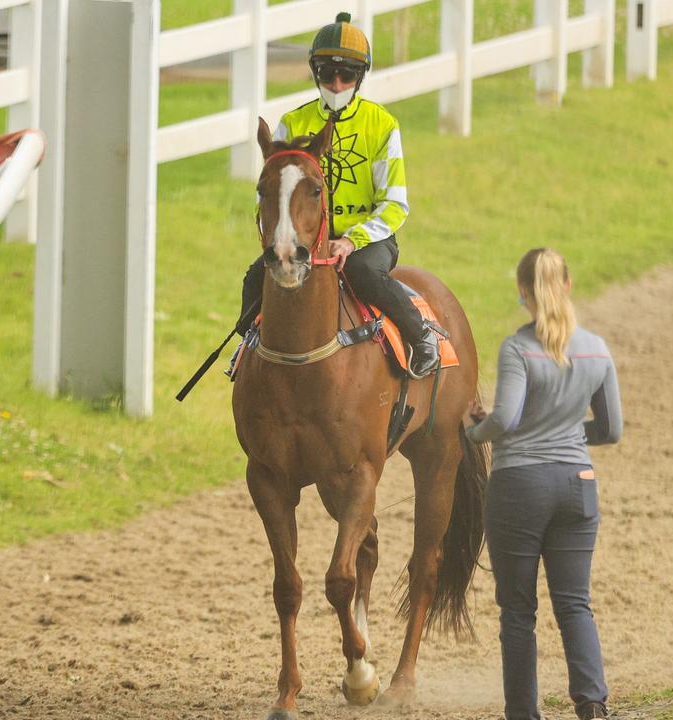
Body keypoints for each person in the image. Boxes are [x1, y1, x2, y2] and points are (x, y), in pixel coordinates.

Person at [235, 12, 442, 379]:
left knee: (364, 271)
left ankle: (421, 336)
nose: (336, 82)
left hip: (366, 241)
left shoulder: (382, 126)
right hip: (303, 238)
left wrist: (350, 241)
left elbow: (395, 204)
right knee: (256, 277)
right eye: (327, 72)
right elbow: (270, 194)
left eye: (346, 74)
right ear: (315, 72)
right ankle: (246, 347)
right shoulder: (292, 123)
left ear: (360, 77)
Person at [466, 248, 622, 720]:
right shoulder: (596, 349)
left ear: (523, 292)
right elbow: (611, 430)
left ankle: (523, 712)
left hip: (519, 486)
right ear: (568, 286)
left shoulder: (518, 348)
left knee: (518, 611)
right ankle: (592, 700)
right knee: (575, 602)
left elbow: (506, 418)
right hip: (578, 484)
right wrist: (573, 434)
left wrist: (474, 430)